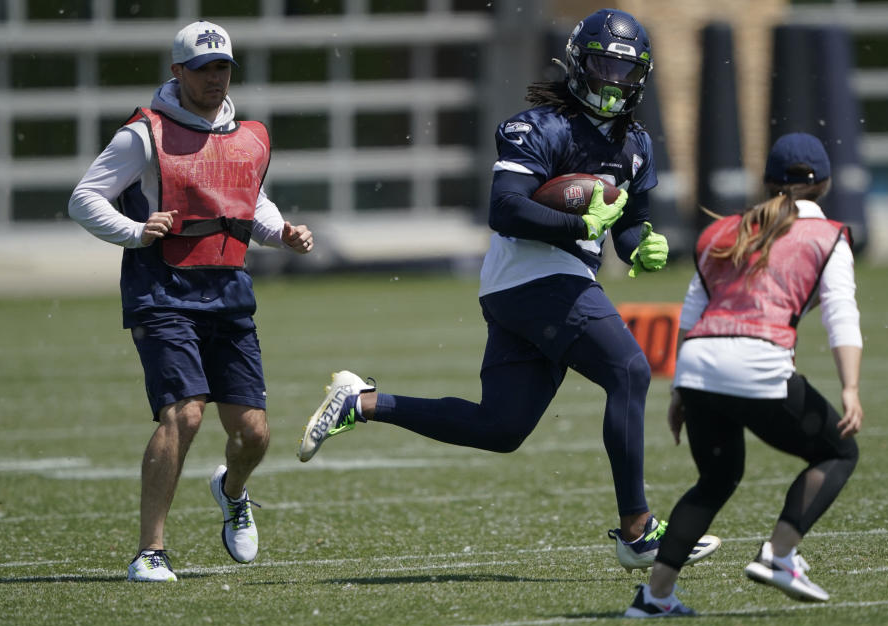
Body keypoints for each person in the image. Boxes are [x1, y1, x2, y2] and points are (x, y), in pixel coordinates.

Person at [297, 8, 719, 572]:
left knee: (501, 428)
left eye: (625, 71)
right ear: (576, 64)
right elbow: (504, 208)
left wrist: (642, 243)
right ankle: (637, 530)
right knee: (629, 370)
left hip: (545, 283)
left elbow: (628, 221)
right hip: (531, 276)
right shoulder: (540, 127)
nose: (613, 82)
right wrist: (578, 226)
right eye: (602, 67)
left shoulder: (635, 142)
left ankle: (362, 402)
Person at [68, 21, 314, 582]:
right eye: (203, 69)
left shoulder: (248, 134)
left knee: (253, 432)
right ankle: (149, 553)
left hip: (228, 290)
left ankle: (231, 491)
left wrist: (282, 233)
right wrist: (134, 229)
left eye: (222, 67)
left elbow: (251, 201)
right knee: (184, 413)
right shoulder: (143, 133)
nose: (215, 79)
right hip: (161, 289)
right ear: (177, 72)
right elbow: (84, 199)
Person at [624, 132, 863, 617]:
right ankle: (779, 554)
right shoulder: (828, 235)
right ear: (827, 184)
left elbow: (693, 307)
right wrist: (851, 388)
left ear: (768, 181)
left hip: (698, 364)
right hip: (756, 362)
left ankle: (655, 598)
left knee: (716, 477)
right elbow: (842, 314)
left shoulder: (728, 227)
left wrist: (679, 391)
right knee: (838, 453)